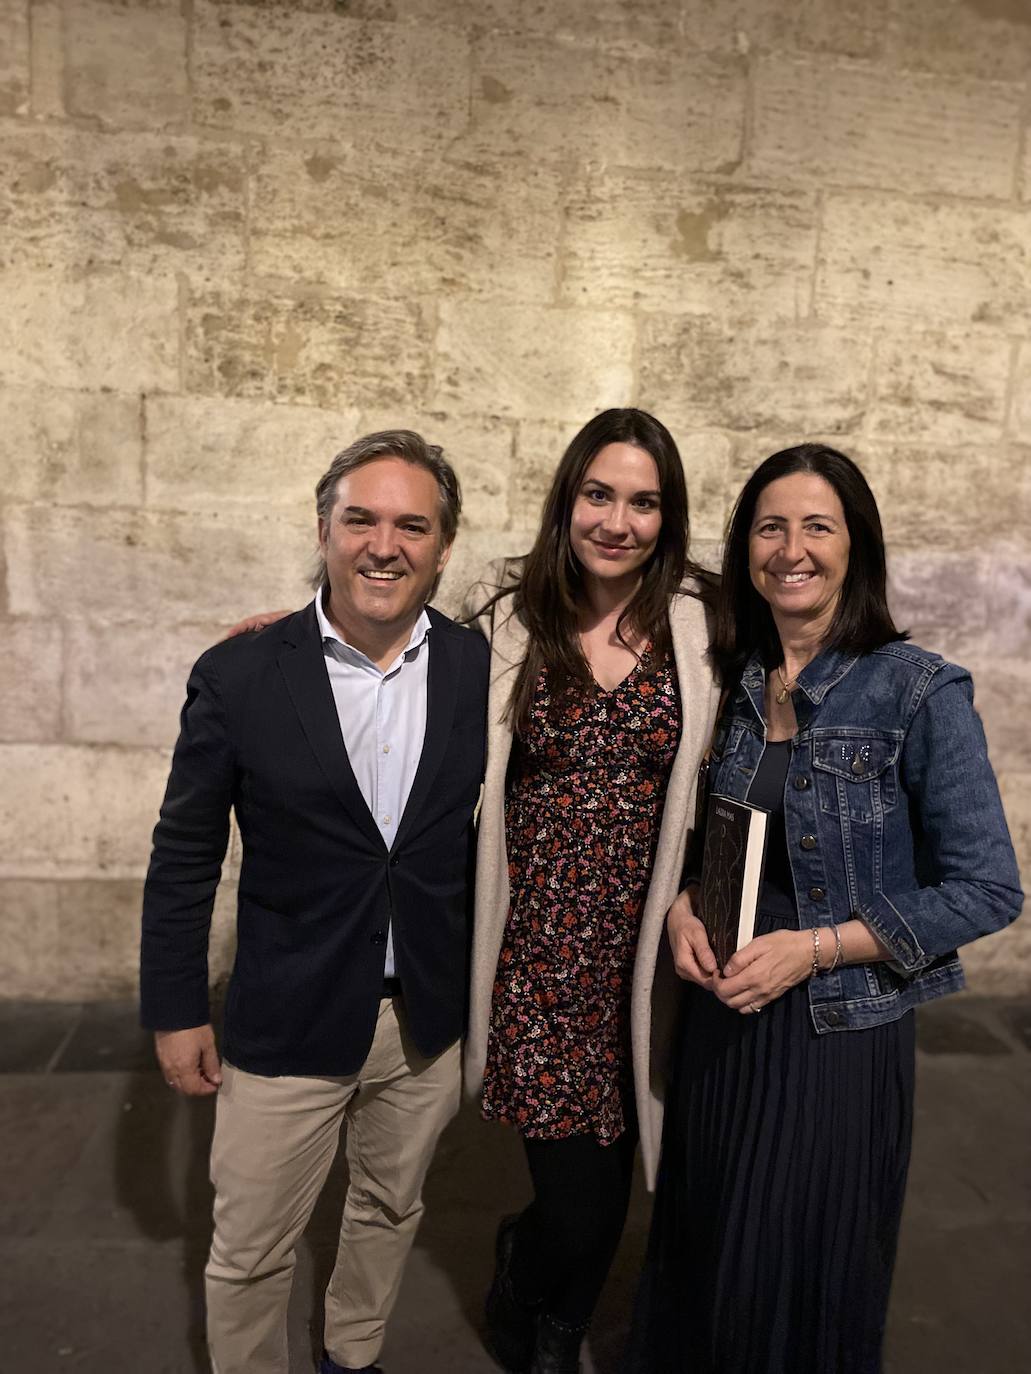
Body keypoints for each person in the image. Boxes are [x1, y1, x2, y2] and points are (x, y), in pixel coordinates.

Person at [629, 443, 1023, 1374]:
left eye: (817, 525)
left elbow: (987, 887)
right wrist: (689, 903)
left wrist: (812, 951)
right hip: (723, 1024)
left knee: (799, 1270)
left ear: (857, 546)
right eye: (770, 526)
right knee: (708, 1245)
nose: (791, 547)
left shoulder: (918, 690)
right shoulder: (733, 681)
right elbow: (725, 834)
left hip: (833, 1035)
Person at [139, 430, 489, 1374]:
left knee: (388, 1207)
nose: (385, 544)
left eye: (412, 525)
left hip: (423, 1019)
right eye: (360, 519)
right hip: (285, 1017)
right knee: (250, 1250)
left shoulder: (477, 669)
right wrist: (175, 1011)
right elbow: (184, 857)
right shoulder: (242, 673)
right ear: (324, 529)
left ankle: (351, 1354)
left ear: (443, 546)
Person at [461, 408, 722, 1374]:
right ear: (568, 499)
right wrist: (297, 624)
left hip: (644, 957)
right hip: (537, 953)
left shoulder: (706, 620)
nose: (618, 521)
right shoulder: (507, 613)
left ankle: (556, 1324)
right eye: (599, 495)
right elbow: (392, 654)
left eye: (644, 502)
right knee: (578, 1201)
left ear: (670, 514)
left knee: (618, 1188)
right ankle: (530, 1279)